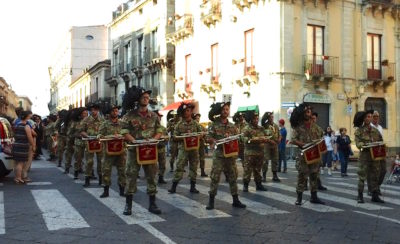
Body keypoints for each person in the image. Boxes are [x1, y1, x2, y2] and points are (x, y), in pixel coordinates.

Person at [121, 86, 162, 215]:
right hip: (134, 151)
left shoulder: (154, 116)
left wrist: (154, 139)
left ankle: (152, 203)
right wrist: (132, 140)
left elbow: (159, 130)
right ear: (137, 99)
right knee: (131, 176)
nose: (146, 99)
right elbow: (124, 131)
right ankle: (128, 205)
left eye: (148, 97)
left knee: (151, 176)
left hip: (149, 150)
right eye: (144, 96)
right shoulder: (129, 115)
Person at [205, 102, 246, 210]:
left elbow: (237, 139)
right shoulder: (214, 124)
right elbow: (207, 137)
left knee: (233, 177)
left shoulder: (233, 126)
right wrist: (212, 140)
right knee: (215, 177)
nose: (225, 111)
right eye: (223, 109)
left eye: (227, 109)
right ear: (220, 111)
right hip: (219, 155)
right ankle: (211, 200)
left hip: (230, 155)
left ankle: (236, 200)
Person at [290, 103, 325, 205]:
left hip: (314, 155)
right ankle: (299, 198)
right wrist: (303, 144)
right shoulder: (298, 127)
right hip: (303, 156)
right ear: (302, 113)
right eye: (306, 110)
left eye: (309, 110)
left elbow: (321, 139)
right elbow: (293, 140)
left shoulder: (317, 128)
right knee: (302, 176)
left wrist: (321, 146)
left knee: (314, 175)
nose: (308, 111)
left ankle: (314, 197)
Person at [168, 102, 204, 194]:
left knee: (193, 167)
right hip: (183, 149)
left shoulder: (196, 124)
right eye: (185, 111)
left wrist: (197, 137)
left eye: (188, 111)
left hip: (194, 148)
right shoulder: (179, 124)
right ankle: (174, 186)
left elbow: (201, 134)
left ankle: (193, 186)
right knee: (179, 166)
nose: (187, 113)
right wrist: (182, 137)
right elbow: (174, 136)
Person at [353, 110, 384, 203]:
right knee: (362, 177)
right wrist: (364, 144)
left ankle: (374, 195)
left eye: (370, 116)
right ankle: (360, 195)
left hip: (375, 157)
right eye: (367, 117)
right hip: (364, 157)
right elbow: (358, 143)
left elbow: (381, 142)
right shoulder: (359, 130)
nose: (368, 118)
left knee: (375, 176)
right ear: (364, 118)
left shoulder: (376, 130)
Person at [98, 105, 126, 198]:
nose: (115, 112)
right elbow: (99, 135)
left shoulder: (122, 124)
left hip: (121, 151)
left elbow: (127, 134)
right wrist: (108, 137)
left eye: (116, 111)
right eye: (113, 111)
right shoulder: (104, 124)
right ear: (110, 113)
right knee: (106, 170)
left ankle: (122, 190)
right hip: (108, 151)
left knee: (122, 170)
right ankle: (106, 190)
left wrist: (122, 136)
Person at [242, 110, 269, 192]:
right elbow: (244, 139)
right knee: (247, 170)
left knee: (258, 170)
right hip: (250, 153)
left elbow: (266, 136)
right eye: (255, 119)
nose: (256, 120)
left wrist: (266, 139)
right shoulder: (246, 128)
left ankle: (259, 185)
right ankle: (245, 185)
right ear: (251, 119)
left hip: (260, 153)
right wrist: (254, 140)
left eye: (257, 118)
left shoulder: (261, 128)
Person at [81, 103, 105, 187]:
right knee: (89, 161)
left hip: (99, 142)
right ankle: (87, 179)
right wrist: (87, 136)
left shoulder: (102, 120)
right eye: (92, 110)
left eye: (95, 110)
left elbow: (105, 131)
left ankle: (101, 179)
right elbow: (82, 130)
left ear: (98, 110)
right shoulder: (86, 120)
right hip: (89, 142)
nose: (93, 111)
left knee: (101, 161)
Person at [12, 110, 35, 184]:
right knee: (21, 163)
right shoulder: (26, 126)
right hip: (23, 146)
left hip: (16, 145)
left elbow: (14, 135)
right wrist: (33, 145)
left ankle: (16, 177)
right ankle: (19, 178)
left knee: (17, 163)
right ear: (27, 117)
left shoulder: (17, 124)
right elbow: (30, 137)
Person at [370, 110, 386, 196]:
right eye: (374, 116)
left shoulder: (380, 127)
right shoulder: (369, 127)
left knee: (383, 170)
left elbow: (381, 139)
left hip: (380, 150)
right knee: (373, 171)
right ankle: (372, 189)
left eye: (377, 117)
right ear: (371, 117)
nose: (376, 118)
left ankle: (377, 186)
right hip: (372, 150)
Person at [261, 112, 281, 182]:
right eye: (270, 117)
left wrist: (279, 139)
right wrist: (270, 141)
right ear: (267, 118)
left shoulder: (275, 126)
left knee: (275, 160)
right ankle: (264, 176)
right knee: (265, 160)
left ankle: (275, 175)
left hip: (275, 145)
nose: (272, 118)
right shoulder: (265, 126)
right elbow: (263, 136)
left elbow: (279, 134)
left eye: (272, 117)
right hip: (267, 145)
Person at [69, 107, 88, 179]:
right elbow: (70, 133)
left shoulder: (89, 121)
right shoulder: (75, 122)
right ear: (80, 114)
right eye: (84, 113)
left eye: (86, 113)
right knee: (78, 158)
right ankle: (76, 171)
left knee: (89, 159)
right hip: (79, 142)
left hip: (88, 142)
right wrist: (77, 135)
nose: (85, 114)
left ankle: (90, 173)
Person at [193, 113, 208, 177]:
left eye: (198, 118)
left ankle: (202, 171)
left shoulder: (201, 126)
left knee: (202, 158)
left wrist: (204, 134)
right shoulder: (192, 126)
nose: (198, 119)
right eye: (196, 118)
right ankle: (193, 172)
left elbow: (206, 133)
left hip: (201, 144)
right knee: (195, 159)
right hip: (194, 144)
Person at [155, 110, 168, 184]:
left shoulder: (163, 128)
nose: (159, 118)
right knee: (152, 165)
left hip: (161, 149)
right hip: (153, 149)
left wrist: (163, 142)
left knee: (162, 164)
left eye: (159, 117)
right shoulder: (150, 128)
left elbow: (166, 138)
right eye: (157, 117)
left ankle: (161, 177)